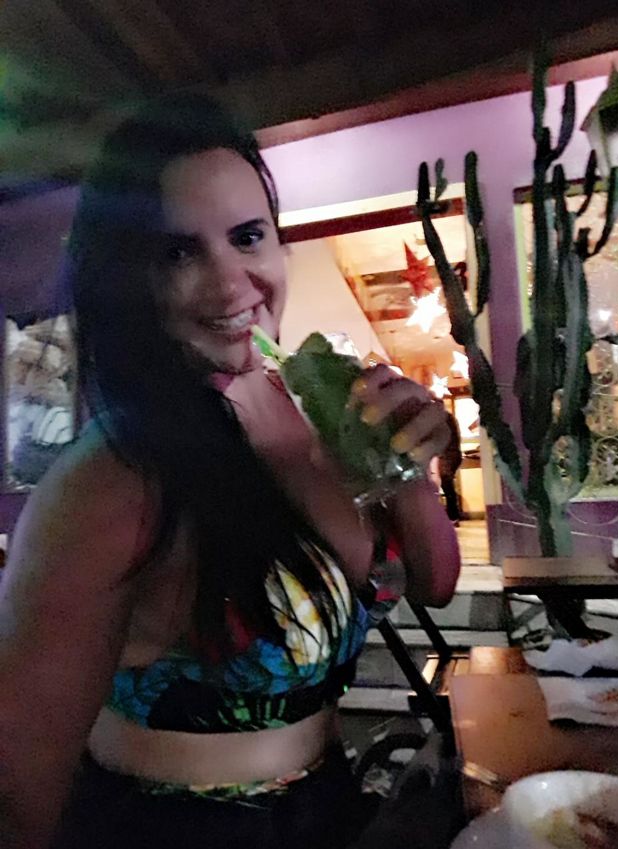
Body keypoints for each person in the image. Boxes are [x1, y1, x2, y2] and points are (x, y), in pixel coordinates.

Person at [0, 94, 460, 849]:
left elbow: (434, 583)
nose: (229, 283)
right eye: (178, 254)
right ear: (130, 278)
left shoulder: (311, 406)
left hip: (331, 810)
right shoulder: (111, 480)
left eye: (248, 236)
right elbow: (19, 800)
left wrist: (408, 464)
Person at [438, 411, 463, 524]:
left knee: (446, 482)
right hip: (452, 454)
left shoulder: (442, 418)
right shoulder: (448, 417)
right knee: (447, 483)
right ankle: (453, 515)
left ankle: (452, 516)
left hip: (447, 455)